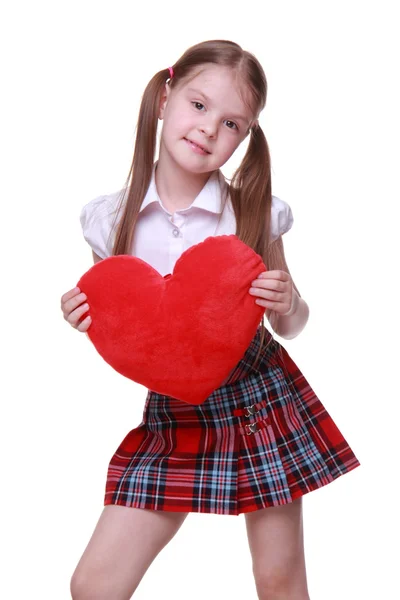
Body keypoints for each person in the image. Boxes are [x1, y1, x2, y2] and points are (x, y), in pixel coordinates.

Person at [61, 40, 360, 600]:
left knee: (278, 580)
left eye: (230, 124)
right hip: (173, 407)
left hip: (258, 401)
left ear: (243, 138)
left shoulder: (253, 210)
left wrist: (288, 301)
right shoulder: (110, 219)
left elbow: (289, 325)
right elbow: (127, 322)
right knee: (94, 585)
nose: (207, 130)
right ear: (165, 97)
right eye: (198, 106)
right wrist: (81, 314)